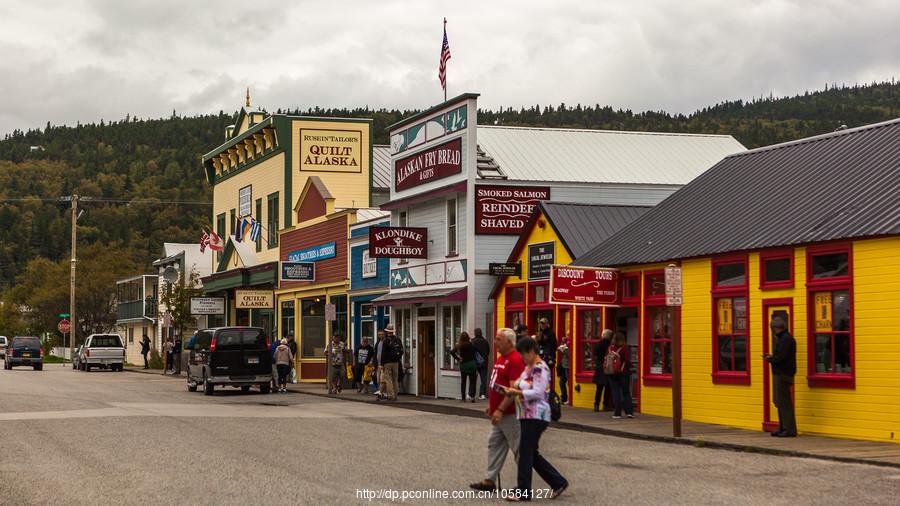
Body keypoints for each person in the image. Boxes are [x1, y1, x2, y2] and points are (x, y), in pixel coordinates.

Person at [500, 336, 568, 501]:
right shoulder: (528, 368)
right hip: (526, 414)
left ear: (531, 352)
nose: (522, 358)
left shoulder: (540, 368)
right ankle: (557, 481)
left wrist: (516, 392)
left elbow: (538, 392)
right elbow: (518, 383)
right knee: (531, 452)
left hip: (537, 414)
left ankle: (524, 491)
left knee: (525, 452)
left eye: (523, 354)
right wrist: (509, 388)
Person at [469, 328, 525, 493]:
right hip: (498, 412)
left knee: (519, 449)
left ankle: (524, 483)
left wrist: (500, 409)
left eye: (498, 339)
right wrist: (491, 406)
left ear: (509, 342)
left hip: (510, 413)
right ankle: (489, 480)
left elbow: (512, 390)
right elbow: (497, 385)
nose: (495, 342)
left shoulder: (515, 360)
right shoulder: (501, 358)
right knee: (494, 444)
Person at [765, 316, 797, 437]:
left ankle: (789, 429)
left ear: (776, 328)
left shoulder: (785, 339)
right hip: (784, 372)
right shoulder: (785, 338)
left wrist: (770, 358)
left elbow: (781, 358)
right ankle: (783, 427)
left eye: (773, 328)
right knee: (781, 401)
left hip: (783, 373)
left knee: (784, 402)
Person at [607, 332, 634, 419]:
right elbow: (627, 360)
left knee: (615, 392)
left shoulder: (610, 348)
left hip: (612, 372)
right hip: (623, 372)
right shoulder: (624, 348)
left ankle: (617, 413)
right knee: (626, 392)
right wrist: (631, 366)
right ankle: (629, 412)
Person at [450, 331, 478, 402]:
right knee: (472, 381)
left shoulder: (458, 345)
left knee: (463, 381)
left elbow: (452, 352)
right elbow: (475, 354)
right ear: (468, 337)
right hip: (472, 364)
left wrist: (458, 358)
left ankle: (463, 398)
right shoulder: (472, 345)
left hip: (463, 365)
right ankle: (472, 397)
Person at [379, 324, 403, 401]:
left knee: (388, 379)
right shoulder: (398, 339)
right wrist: (398, 359)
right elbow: (401, 351)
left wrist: (382, 364)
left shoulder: (386, 340)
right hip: (396, 362)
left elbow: (383, 353)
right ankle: (396, 395)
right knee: (395, 379)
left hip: (387, 363)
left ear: (387, 331)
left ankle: (391, 395)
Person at [592, 329, 613, 412]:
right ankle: (605, 405)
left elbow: (595, 355)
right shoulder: (610, 345)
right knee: (608, 387)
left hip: (599, 367)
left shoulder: (597, 344)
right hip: (607, 367)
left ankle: (596, 405)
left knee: (599, 388)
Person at [536, 318, 557, 395]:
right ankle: (542, 391)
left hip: (548, 357)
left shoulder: (551, 333)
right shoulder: (540, 332)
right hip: (541, 356)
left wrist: (551, 356)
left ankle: (549, 393)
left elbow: (554, 345)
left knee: (547, 375)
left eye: (543, 323)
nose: (542, 325)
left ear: (547, 324)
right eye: (541, 324)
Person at [471, 328, 490, 400]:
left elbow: (471, 352)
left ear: (475, 333)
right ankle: (482, 394)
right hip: (484, 363)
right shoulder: (485, 341)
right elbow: (488, 352)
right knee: (483, 379)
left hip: (475, 363)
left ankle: (472, 394)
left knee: (473, 379)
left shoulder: (473, 341)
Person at [557, 337, 571, 404]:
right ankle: (564, 398)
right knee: (561, 382)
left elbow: (569, 354)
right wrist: (562, 342)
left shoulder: (570, 343)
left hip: (568, 365)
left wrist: (564, 350)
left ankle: (569, 399)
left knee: (569, 382)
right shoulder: (566, 343)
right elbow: (560, 348)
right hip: (563, 365)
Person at [374, 330, 386, 397]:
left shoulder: (386, 342)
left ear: (384, 335)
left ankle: (382, 392)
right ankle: (381, 390)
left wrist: (383, 364)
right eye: (379, 334)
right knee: (378, 379)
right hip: (378, 364)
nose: (381, 336)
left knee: (383, 379)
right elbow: (376, 353)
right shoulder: (378, 343)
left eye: (382, 334)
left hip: (383, 364)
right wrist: (374, 363)